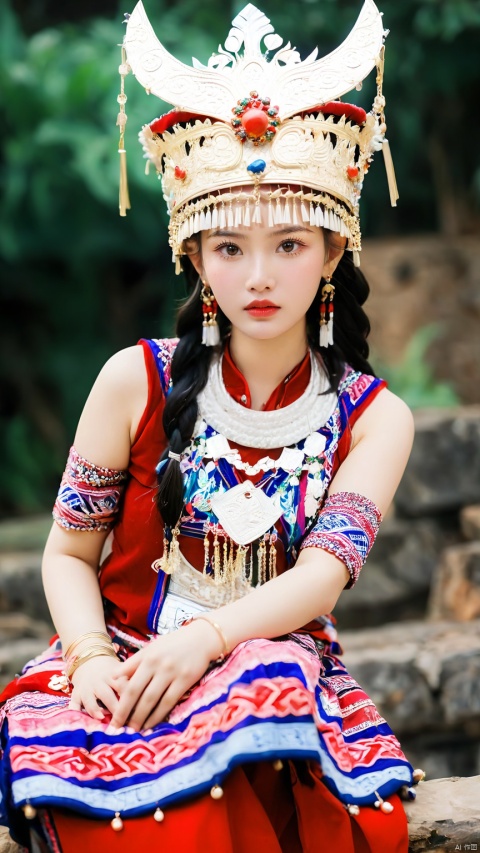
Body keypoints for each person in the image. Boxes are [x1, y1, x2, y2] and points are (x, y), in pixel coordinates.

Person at [0, 2, 424, 851]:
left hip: (267, 663)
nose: (259, 276)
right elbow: (67, 552)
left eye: (290, 245)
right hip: (119, 659)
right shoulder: (135, 380)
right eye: (229, 248)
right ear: (193, 255)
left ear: (336, 250)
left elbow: (320, 578)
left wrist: (205, 641)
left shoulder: (376, 417)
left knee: (265, 684)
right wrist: (88, 658)